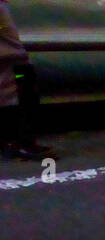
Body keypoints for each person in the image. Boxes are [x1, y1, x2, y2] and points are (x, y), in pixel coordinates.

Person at [0, 0, 55, 160]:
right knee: (23, 87)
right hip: (13, 60)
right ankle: (21, 143)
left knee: (9, 92)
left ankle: (11, 143)